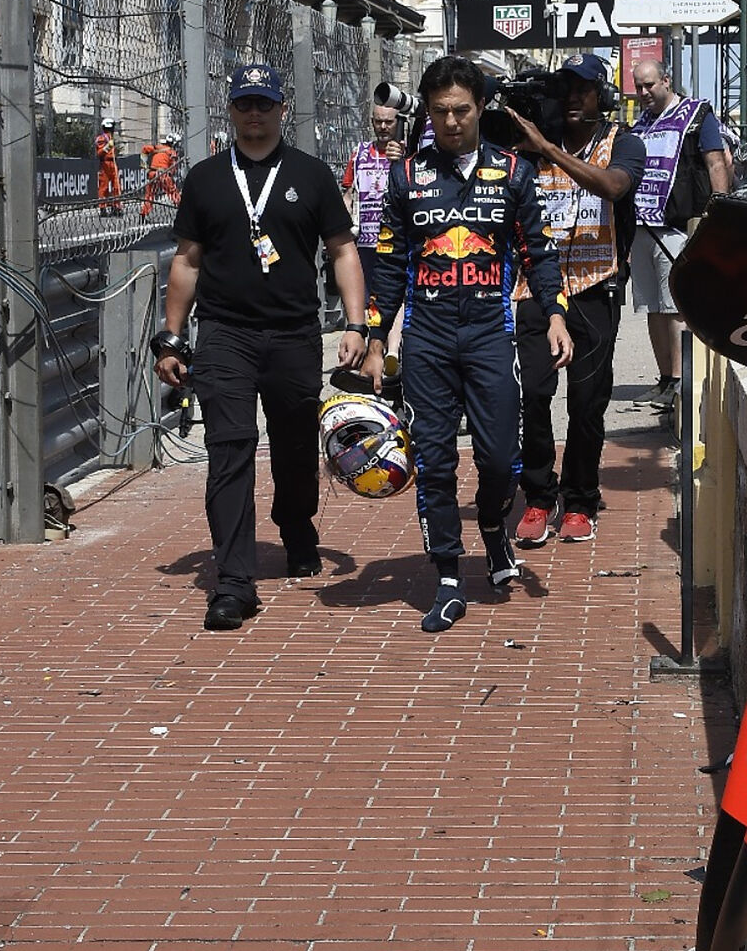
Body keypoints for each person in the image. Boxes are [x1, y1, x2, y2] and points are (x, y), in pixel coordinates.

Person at [361, 55, 572, 633]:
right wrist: (377, 337)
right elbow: (388, 264)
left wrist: (555, 315)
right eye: (439, 112)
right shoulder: (405, 177)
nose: (451, 122)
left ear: (480, 108)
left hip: (488, 334)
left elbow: (540, 251)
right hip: (427, 337)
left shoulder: (514, 173)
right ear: (426, 114)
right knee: (434, 458)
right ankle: (449, 574)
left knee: (500, 457)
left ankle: (492, 536)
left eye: (461, 110)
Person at [153, 63, 367, 630]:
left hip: (294, 334)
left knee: (296, 447)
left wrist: (355, 324)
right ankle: (234, 581)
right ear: (231, 110)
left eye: (264, 104)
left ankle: (297, 525)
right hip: (224, 333)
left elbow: (343, 251)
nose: (254, 113)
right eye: (245, 103)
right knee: (229, 449)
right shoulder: (204, 178)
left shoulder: (312, 175)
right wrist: (173, 337)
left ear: (281, 110)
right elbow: (187, 260)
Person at [504, 53, 646, 548]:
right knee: (535, 396)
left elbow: (612, 186)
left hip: (594, 285)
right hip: (536, 290)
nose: (571, 97)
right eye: (564, 88)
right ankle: (539, 496)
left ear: (602, 96)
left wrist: (548, 148)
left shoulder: (623, 143)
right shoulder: (527, 150)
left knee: (586, 405)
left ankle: (581, 499)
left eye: (582, 89)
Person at [629, 58, 731, 406]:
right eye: (638, 86)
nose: (643, 92)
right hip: (643, 225)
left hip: (678, 224)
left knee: (674, 305)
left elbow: (716, 161)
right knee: (652, 307)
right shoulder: (638, 123)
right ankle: (665, 377)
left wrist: (717, 214)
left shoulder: (697, 115)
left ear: (666, 81)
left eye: (649, 85)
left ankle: (681, 381)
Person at [340, 100, 403, 300]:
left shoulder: (408, 154)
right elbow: (348, 195)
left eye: (389, 122)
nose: (383, 127)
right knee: (365, 299)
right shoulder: (359, 153)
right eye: (378, 122)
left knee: (395, 299)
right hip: (365, 243)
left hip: (396, 241)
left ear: (398, 122)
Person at [140, 133, 182, 219]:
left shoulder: (157, 148)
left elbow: (144, 149)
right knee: (173, 193)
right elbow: (173, 167)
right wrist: (171, 175)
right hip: (163, 174)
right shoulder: (172, 152)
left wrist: (144, 165)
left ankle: (143, 214)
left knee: (149, 196)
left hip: (152, 173)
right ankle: (182, 210)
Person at [95, 119, 122, 216]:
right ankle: (103, 208)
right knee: (104, 187)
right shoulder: (101, 138)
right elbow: (99, 153)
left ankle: (116, 207)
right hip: (105, 164)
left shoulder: (112, 137)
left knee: (117, 186)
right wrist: (108, 147)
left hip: (113, 163)